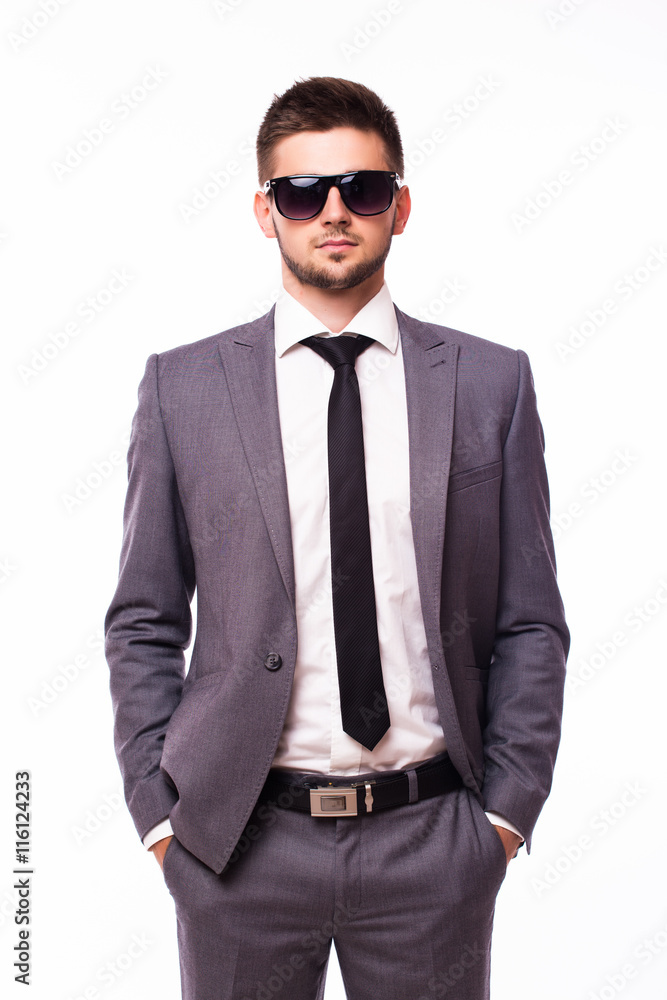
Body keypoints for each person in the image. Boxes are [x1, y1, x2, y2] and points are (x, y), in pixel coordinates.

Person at [105, 76, 569, 1000]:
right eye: (300, 191)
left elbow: (529, 622)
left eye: (360, 189)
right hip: (237, 846)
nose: (332, 212)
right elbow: (144, 619)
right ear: (263, 211)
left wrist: (505, 818)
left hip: (432, 841)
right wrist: (161, 819)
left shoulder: (489, 385)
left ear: (398, 206)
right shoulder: (182, 389)